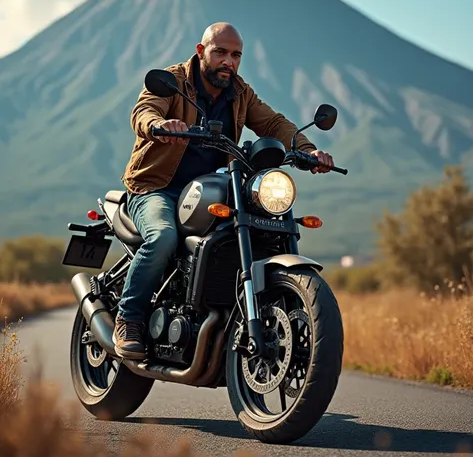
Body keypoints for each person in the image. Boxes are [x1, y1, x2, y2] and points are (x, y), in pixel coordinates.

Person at [113, 22, 334, 359]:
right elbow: (144, 110)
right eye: (220, 52)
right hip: (156, 187)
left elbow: (274, 124)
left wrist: (308, 149)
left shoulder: (240, 93)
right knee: (162, 237)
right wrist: (159, 126)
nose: (228, 61)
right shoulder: (173, 82)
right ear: (201, 51)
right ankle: (128, 318)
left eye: (236, 55)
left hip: (210, 192)